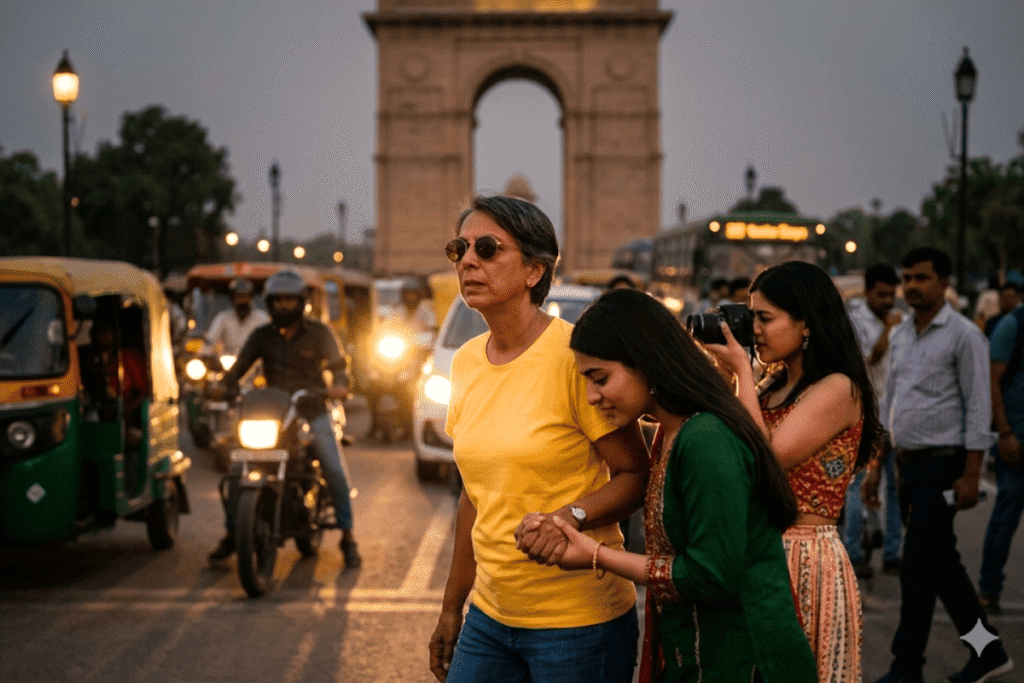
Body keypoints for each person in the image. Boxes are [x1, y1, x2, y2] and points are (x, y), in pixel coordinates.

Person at [524, 288, 816, 683]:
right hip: (698, 654)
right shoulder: (672, 431)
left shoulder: (706, 439)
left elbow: (711, 576)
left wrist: (597, 555)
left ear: (646, 364)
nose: (592, 397)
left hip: (746, 661)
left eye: (600, 378)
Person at [428, 195, 650, 683]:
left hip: (578, 622)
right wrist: (451, 608)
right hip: (489, 616)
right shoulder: (465, 362)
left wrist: (570, 516)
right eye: (458, 249)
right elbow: (474, 495)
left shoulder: (575, 356)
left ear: (534, 270)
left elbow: (637, 474)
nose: (468, 260)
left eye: (487, 248)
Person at [706, 260, 882, 683]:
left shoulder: (838, 387)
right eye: (752, 318)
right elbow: (729, 445)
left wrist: (743, 373)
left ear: (807, 324)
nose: (755, 330)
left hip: (800, 557)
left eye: (765, 318)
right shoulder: (772, 384)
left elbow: (765, 457)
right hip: (757, 551)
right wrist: (732, 375)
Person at [864, 247, 1012, 683]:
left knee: (916, 567)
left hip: (942, 467)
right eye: (907, 277)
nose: (911, 286)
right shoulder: (903, 333)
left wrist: (971, 473)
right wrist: (877, 464)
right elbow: (893, 401)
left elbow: (979, 405)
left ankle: (906, 666)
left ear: (944, 283)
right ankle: (989, 652)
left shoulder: (965, 335)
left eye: (922, 278)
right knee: (941, 566)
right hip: (907, 468)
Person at [208, 270, 361, 569]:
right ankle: (233, 532)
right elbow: (238, 369)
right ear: (269, 303)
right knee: (237, 465)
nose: (284, 306)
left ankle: (347, 536)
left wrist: (340, 384)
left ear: (301, 302)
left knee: (333, 466)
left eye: (290, 299)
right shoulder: (261, 335)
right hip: (273, 411)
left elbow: (338, 366)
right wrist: (221, 387)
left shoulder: (319, 333)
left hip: (311, 409)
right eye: (278, 301)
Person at [844, 263, 903, 578]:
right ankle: (853, 554)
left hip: (895, 414)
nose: (887, 300)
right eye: (881, 295)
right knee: (856, 486)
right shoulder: (857, 322)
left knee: (894, 488)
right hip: (866, 416)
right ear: (867, 292)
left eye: (891, 295)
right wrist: (889, 330)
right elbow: (872, 358)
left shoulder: (898, 321)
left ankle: (892, 554)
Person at [976, 293, 1024, 615]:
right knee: (1006, 512)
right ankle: (989, 588)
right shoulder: (1013, 325)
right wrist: (1004, 434)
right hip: (1016, 440)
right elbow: (991, 381)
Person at [203, 278, 270, 359]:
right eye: (239, 296)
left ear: (250, 297)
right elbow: (210, 341)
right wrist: (205, 354)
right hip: (229, 363)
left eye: (245, 296)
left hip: (255, 363)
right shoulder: (223, 318)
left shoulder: (262, 318)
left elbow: (270, 341)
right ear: (233, 298)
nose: (242, 300)